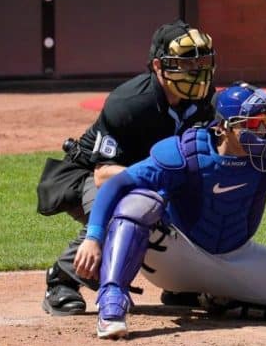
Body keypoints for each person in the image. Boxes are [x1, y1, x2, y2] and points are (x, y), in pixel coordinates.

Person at [75, 82, 266, 339]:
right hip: (175, 257)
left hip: (236, 257)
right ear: (223, 127)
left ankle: (227, 300)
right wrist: (93, 237)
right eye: (254, 123)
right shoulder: (185, 153)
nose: (265, 131)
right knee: (138, 201)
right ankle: (112, 300)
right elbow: (117, 185)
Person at [38, 20, 217, 316]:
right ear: (159, 66)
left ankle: (181, 283)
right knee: (128, 210)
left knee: (206, 200)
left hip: (153, 178)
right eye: (186, 64)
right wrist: (164, 179)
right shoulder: (130, 104)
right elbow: (103, 174)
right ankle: (63, 278)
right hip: (89, 176)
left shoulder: (205, 101)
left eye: (201, 62)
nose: (196, 73)